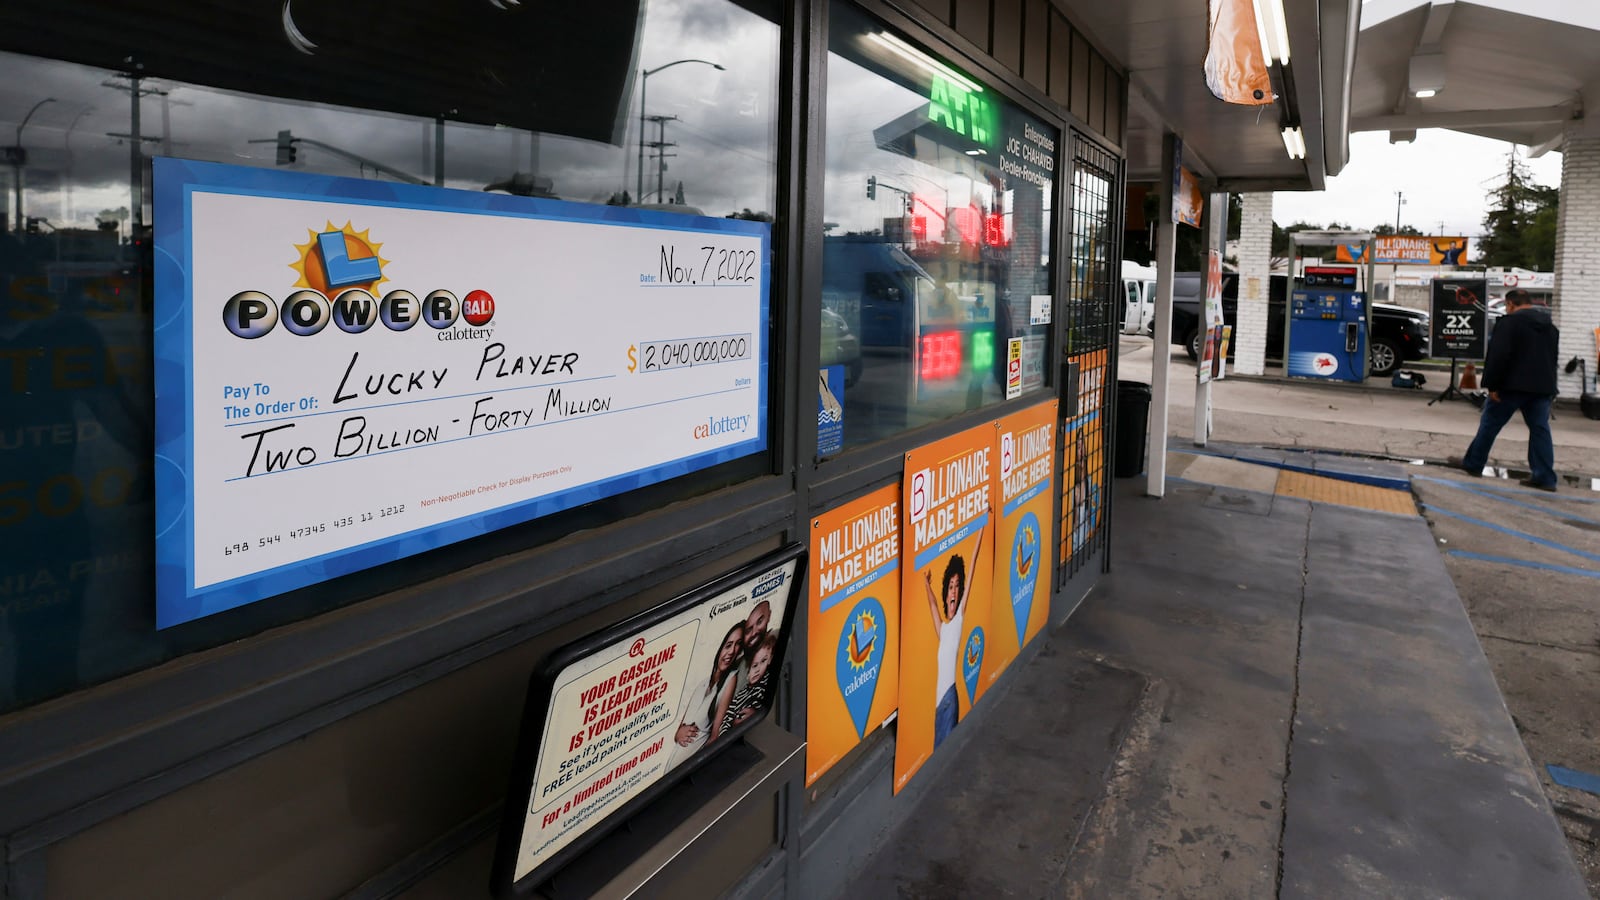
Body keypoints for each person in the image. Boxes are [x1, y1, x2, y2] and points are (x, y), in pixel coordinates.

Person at [1457, 289, 1560, 491]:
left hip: (1511, 386)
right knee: (1540, 429)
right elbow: (1553, 358)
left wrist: (1493, 385)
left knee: (1490, 424)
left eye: (1506, 306)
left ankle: (1474, 464)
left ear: (1511, 304)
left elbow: (1499, 355)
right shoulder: (1550, 327)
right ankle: (1545, 477)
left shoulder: (1509, 323)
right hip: (1541, 387)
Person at [924, 525, 984, 748]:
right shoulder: (943, 630)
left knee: (944, 751)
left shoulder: (958, 618)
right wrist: (926, 584)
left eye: (957, 587)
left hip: (949, 700)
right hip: (939, 705)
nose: (954, 591)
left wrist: (981, 529)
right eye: (950, 586)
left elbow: (974, 562)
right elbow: (931, 605)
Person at [674, 621, 744, 751]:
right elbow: (678, 726)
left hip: (693, 761)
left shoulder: (730, 679)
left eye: (738, 645)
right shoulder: (702, 683)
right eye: (728, 645)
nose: (732, 651)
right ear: (719, 647)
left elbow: (714, 737)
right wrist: (678, 734)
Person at [721, 632, 777, 731]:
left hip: (759, 726)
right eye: (754, 666)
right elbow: (726, 720)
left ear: (770, 660)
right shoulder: (739, 696)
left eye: (763, 661)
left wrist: (755, 713)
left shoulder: (767, 681)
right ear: (747, 672)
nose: (758, 669)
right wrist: (728, 733)